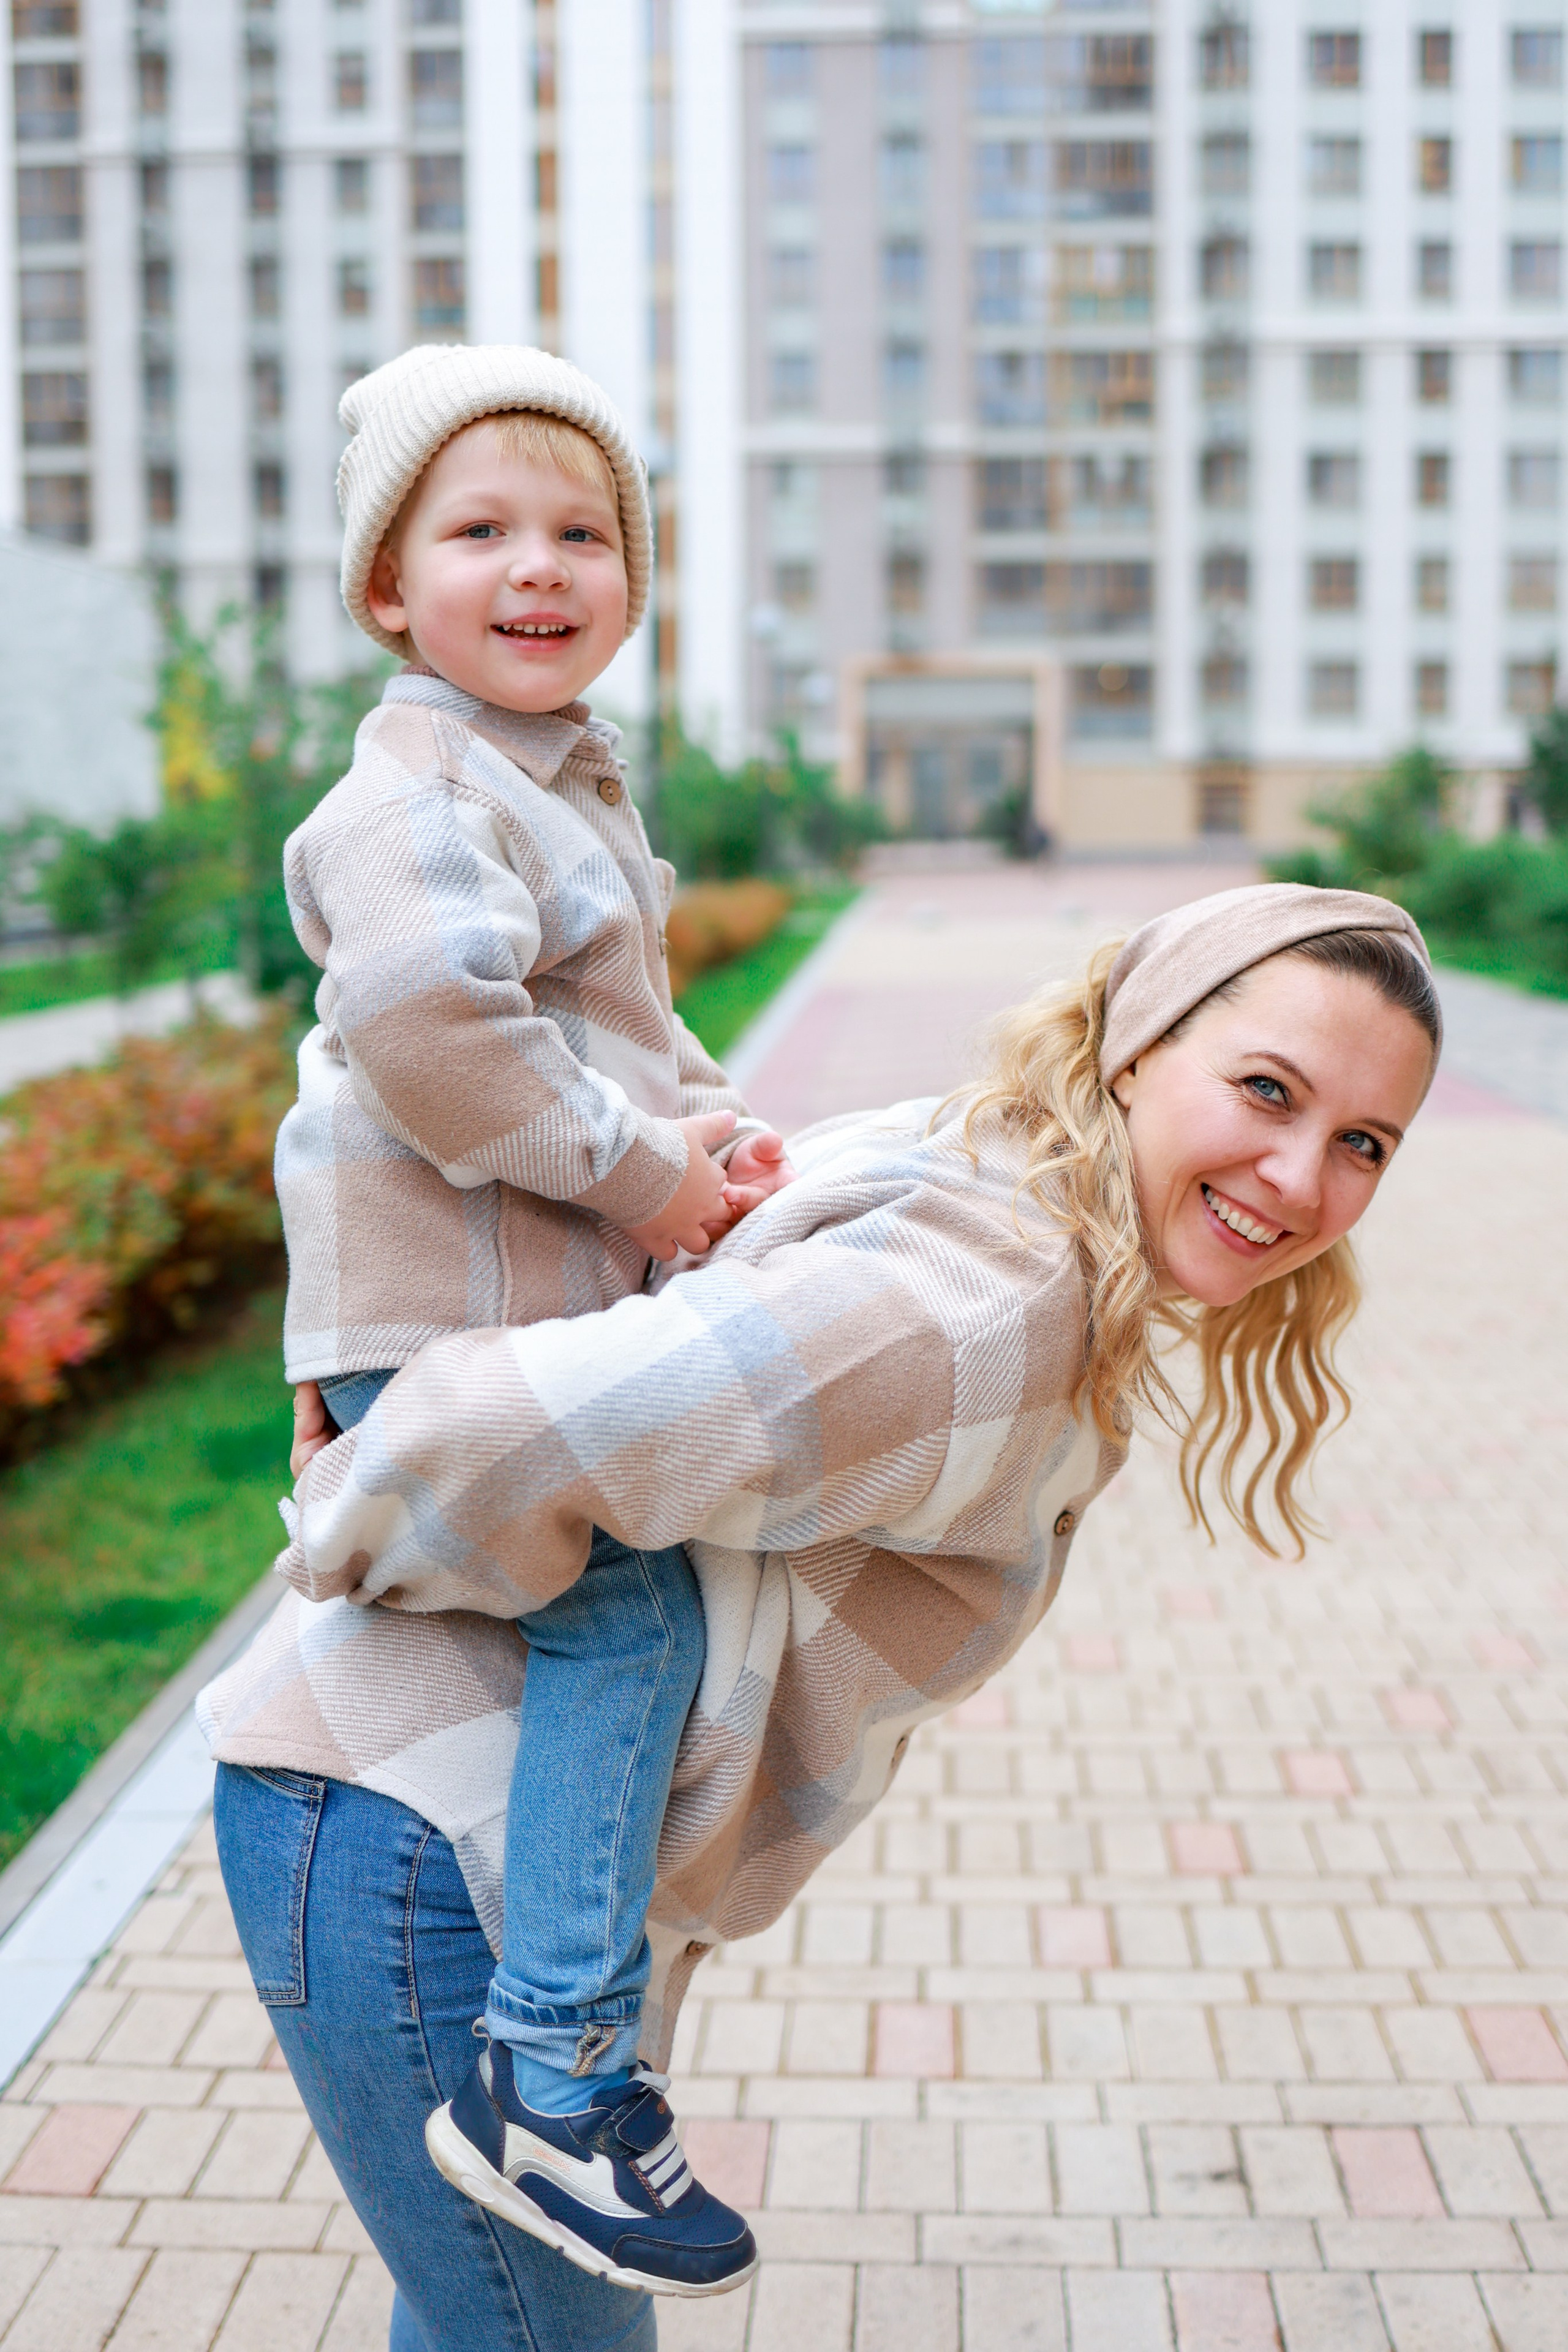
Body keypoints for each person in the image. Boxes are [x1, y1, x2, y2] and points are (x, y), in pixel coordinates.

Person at [206, 882, 1442, 2351]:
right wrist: (357, 1487)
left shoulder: (995, 1168)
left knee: (480, 2318)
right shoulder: (990, 1307)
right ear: (1136, 1048)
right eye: (1264, 1091)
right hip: (430, 1852)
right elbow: (528, 1428)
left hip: (433, 1826)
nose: (1299, 1179)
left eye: (1359, 1143)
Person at [269, 342, 797, 2300]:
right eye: (479, 528)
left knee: (630, 1602)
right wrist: (654, 1183)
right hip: (450, 1328)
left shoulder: (556, 784)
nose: (540, 564)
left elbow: (620, 1039)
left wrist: (710, 1128)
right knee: (627, 1606)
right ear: (389, 591)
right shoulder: (412, 794)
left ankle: (552, 2036)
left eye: (584, 531)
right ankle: (552, 2071)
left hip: (476, 1327)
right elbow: (426, 1040)